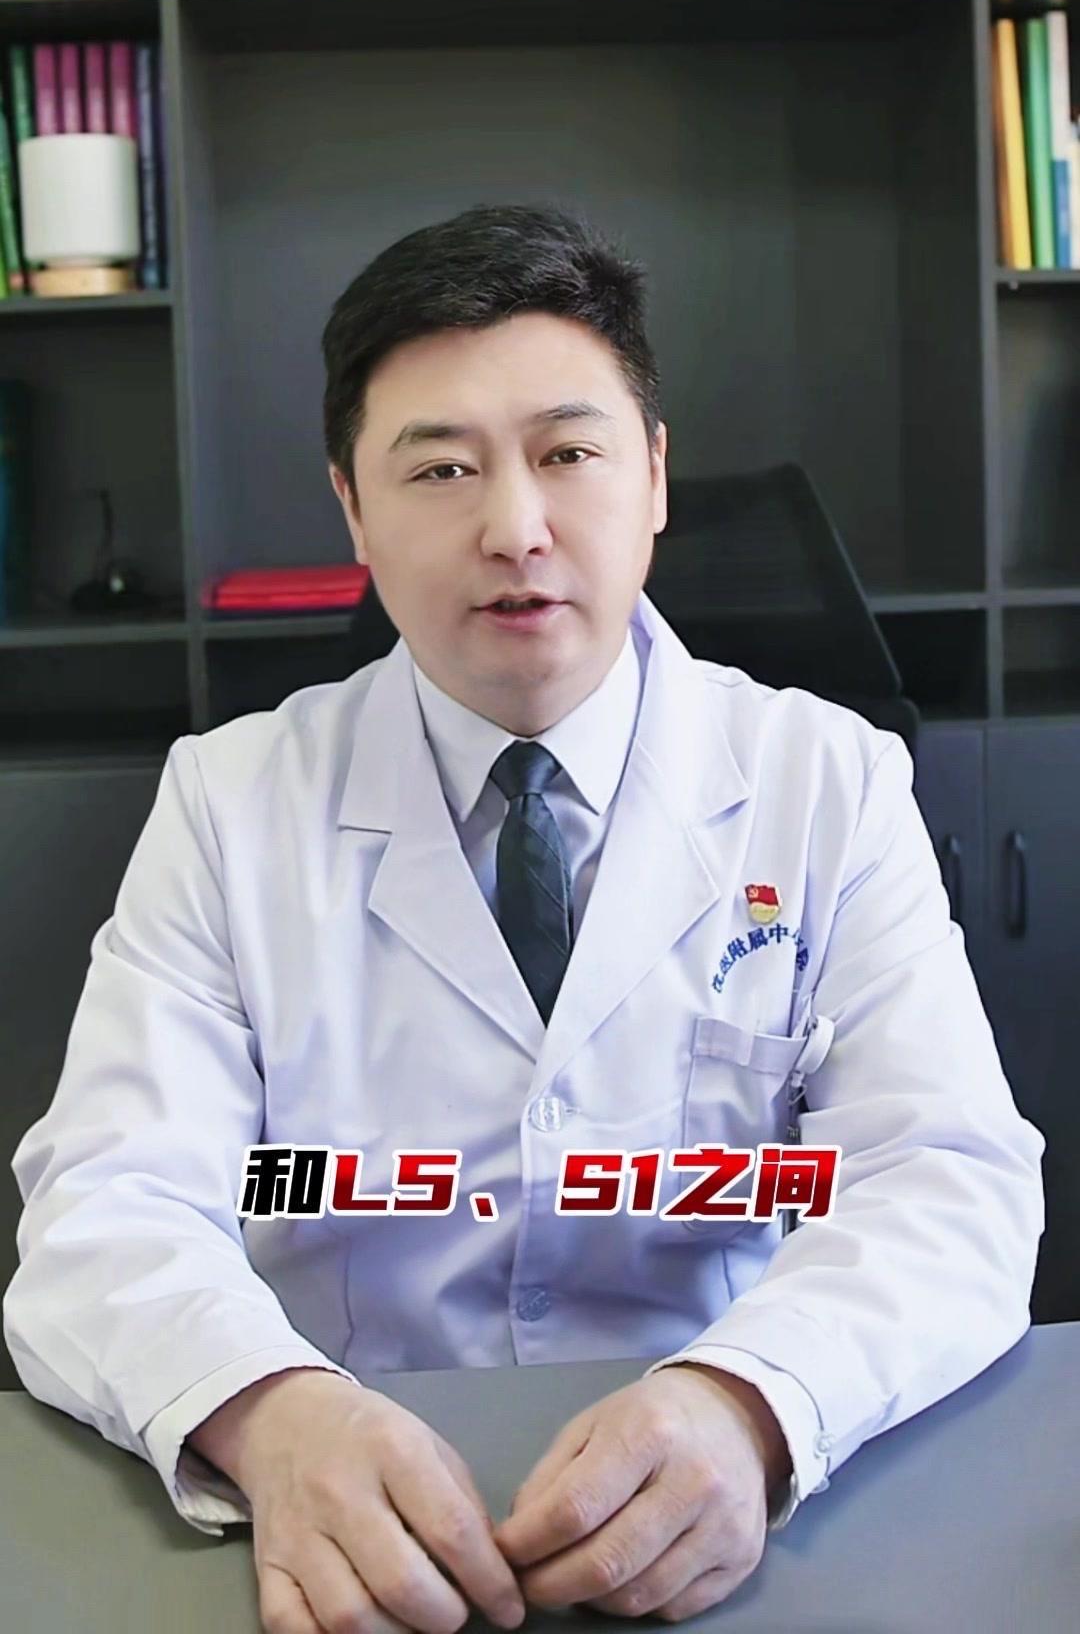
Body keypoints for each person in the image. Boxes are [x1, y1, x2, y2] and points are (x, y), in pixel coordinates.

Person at [4, 202, 1045, 1634]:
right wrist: (271, 1413)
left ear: (655, 476)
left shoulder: (827, 781)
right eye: (440, 468)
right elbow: (108, 1200)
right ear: (352, 510)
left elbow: (948, 1176)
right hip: (352, 1490)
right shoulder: (231, 803)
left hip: (735, 1508)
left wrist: (753, 1401)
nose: (515, 529)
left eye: (567, 453)